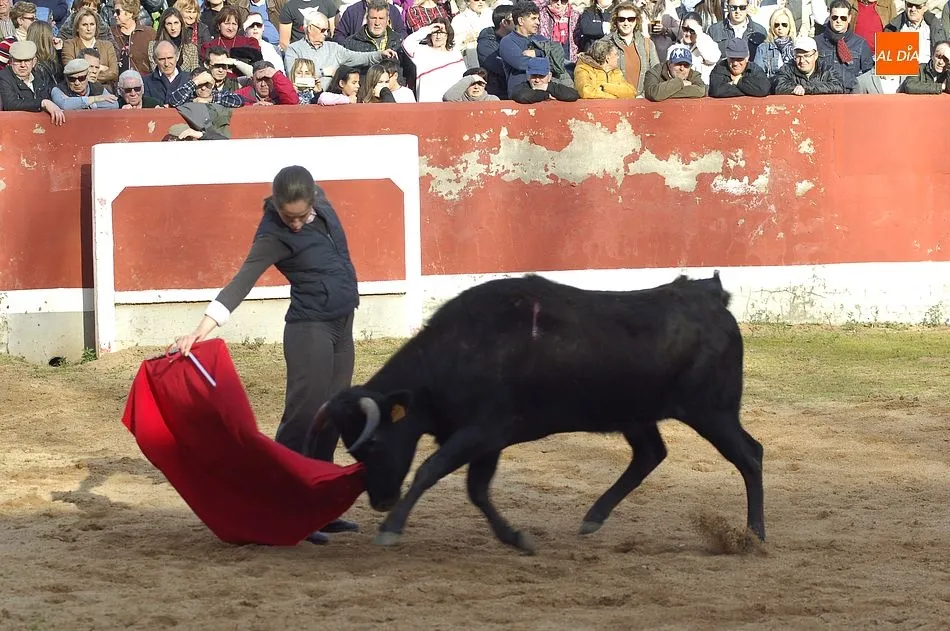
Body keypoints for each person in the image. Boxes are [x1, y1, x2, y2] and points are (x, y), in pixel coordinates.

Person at [171, 165, 361, 545]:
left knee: (333, 414)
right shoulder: (272, 234)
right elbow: (241, 282)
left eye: (301, 216)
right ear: (276, 205)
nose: (296, 224)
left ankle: (319, 506)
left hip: (342, 325)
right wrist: (200, 329)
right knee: (302, 419)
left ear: (314, 199)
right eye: (288, 217)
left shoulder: (321, 201)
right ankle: (286, 508)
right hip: (310, 330)